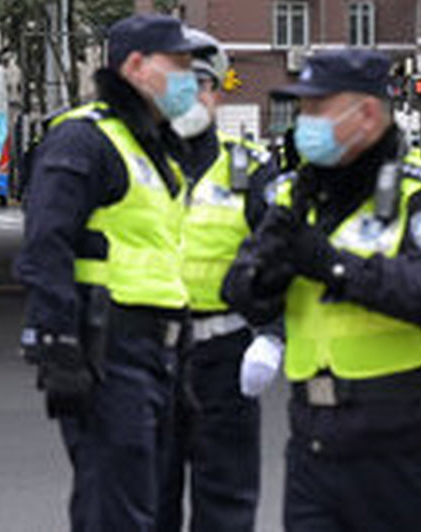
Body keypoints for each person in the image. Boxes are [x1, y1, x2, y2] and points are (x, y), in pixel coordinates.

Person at [222, 49, 421, 531]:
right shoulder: (301, 195)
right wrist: (268, 275)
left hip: (404, 441)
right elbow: (241, 288)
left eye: (318, 109)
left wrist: (333, 266)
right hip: (315, 441)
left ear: (368, 114)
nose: (305, 123)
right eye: (303, 111)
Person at [15, 14, 203, 531]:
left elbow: (163, 258)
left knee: (154, 505)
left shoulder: (155, 147)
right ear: (137, 66)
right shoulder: (84, 139)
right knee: (116, 510)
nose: (190, 78)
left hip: (160, 353)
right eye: (180, 65)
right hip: (108, 351)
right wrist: (59, 344)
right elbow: (45, 244)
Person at [160, 31, 276, 532]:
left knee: (226, 505)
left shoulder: (248, 168)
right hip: (147, 353)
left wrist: (273, 336)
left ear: (217, 92)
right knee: (146, 500)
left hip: (225, 355)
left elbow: (281, 253)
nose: (190, 97)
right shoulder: (128, 163)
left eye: (200, 84)